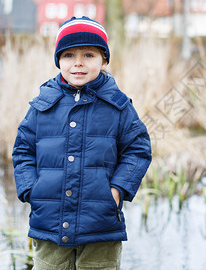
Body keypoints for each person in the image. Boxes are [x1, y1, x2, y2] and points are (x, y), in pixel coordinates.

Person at [12, 16, 152, 269]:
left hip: (100, 223)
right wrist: (31, 190)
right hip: (49, 222)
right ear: (58, 61)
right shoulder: (42, 105)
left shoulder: (118, 106)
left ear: (104, 60)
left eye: (88, 55)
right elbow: (23, 150)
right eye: (68, 56)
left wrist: (117, 190)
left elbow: (138, 150)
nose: (78, 63)